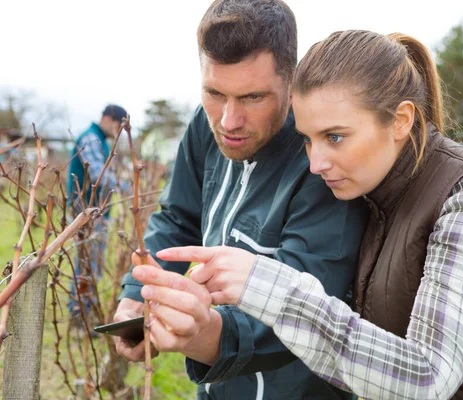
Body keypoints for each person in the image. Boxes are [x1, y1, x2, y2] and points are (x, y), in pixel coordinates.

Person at [135, 30, 463, 399]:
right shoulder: (376, 199)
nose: (315, 164)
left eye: (335, 137)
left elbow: (426, 380)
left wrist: (271, 287)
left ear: (401, 121)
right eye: (308, 140)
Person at [114, 2, 367, 399]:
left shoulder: (322, 161)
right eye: (214, 92)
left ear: (291, 80)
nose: (228, 121)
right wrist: (136, 296)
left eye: (252, 97)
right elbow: (178, 217)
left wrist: (207, 333)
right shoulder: (205, 124)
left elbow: (311, 304)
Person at [67, 104, 129, 318]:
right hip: (87, 213)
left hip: (90, 212)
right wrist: (127, 188)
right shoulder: (92, 138)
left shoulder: (97, 138)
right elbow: (97, 174)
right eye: (118, 128)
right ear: (111, 121)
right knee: (88, 264)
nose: (118, 134)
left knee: (88, 263)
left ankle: (81, 310)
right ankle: (79, 313)